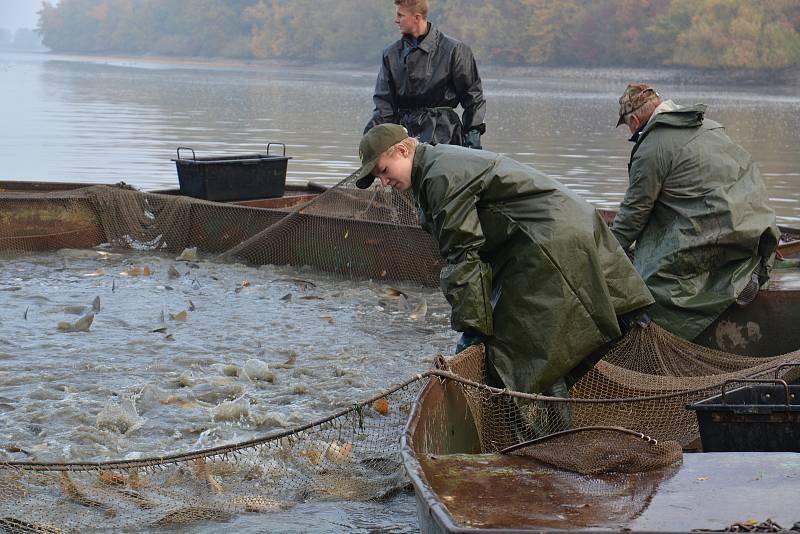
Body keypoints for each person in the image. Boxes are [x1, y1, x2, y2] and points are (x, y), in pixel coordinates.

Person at [352, 123, 654, 396]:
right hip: (552, 233)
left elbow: (464, 257)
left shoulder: (440, 175)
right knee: (536, 341)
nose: (383, 181)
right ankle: (554, 419)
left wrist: (472, 331)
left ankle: (547, 432)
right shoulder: (434, 165)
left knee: (516, 351)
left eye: (383, 170)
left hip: (549, 241)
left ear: (402, 151)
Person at [612, 83, 780, 341]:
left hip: (714, 229)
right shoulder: (708, 126)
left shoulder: (652, 147)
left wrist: (608, 253)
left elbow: (634, 213)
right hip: (754, 224)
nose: (631, 131)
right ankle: (748, 273)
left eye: (628, 126)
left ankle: (659, 334)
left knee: (650, 282)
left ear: (634, 120)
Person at [364, 0, 486, 149]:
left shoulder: (454, 50)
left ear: (416, 17)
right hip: (403, 138)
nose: (396, 20)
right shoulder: (391, 54)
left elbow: (473, 97)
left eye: (400, 15)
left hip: (445, 136)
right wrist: (370, 140)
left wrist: (473, 133)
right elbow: (383, 105)